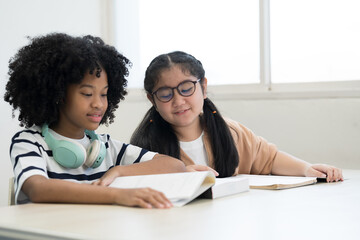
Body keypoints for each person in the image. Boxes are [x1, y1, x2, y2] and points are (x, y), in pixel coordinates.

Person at [4, 33, 187, 209]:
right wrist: (117, 195)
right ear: (58, 94)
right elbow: (38, 189)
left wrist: (119, 171)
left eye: (104, 94)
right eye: (87, 94)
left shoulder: (105, 147)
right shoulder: (29, 142)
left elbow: (174, 165)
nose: (98, 104)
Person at [130, 51, 343, 182]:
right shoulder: (144, 147)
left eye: (186, 88)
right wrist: (178, 176)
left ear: (203, 88)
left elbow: (269, 158)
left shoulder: (230, 132)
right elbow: (133, 183)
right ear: (152, 100)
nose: (178, 101)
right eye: (166, 94)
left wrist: (307, 168)